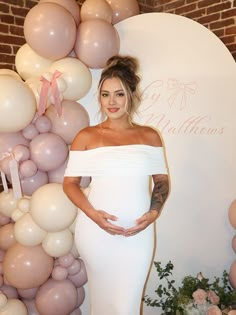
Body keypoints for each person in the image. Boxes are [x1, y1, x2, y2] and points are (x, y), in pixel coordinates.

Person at [63, 55, 170, 315]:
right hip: (96, 233)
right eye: (105, 94)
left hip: (138, 234)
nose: (112, 102)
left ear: (131, 95)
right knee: (102, 304)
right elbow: (70, 184)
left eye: (119, 94)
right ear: (99, 97)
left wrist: (154, 213)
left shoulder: (149, 136)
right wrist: (94, 216)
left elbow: (161, 182)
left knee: (127, 306)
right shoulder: (86, 136)